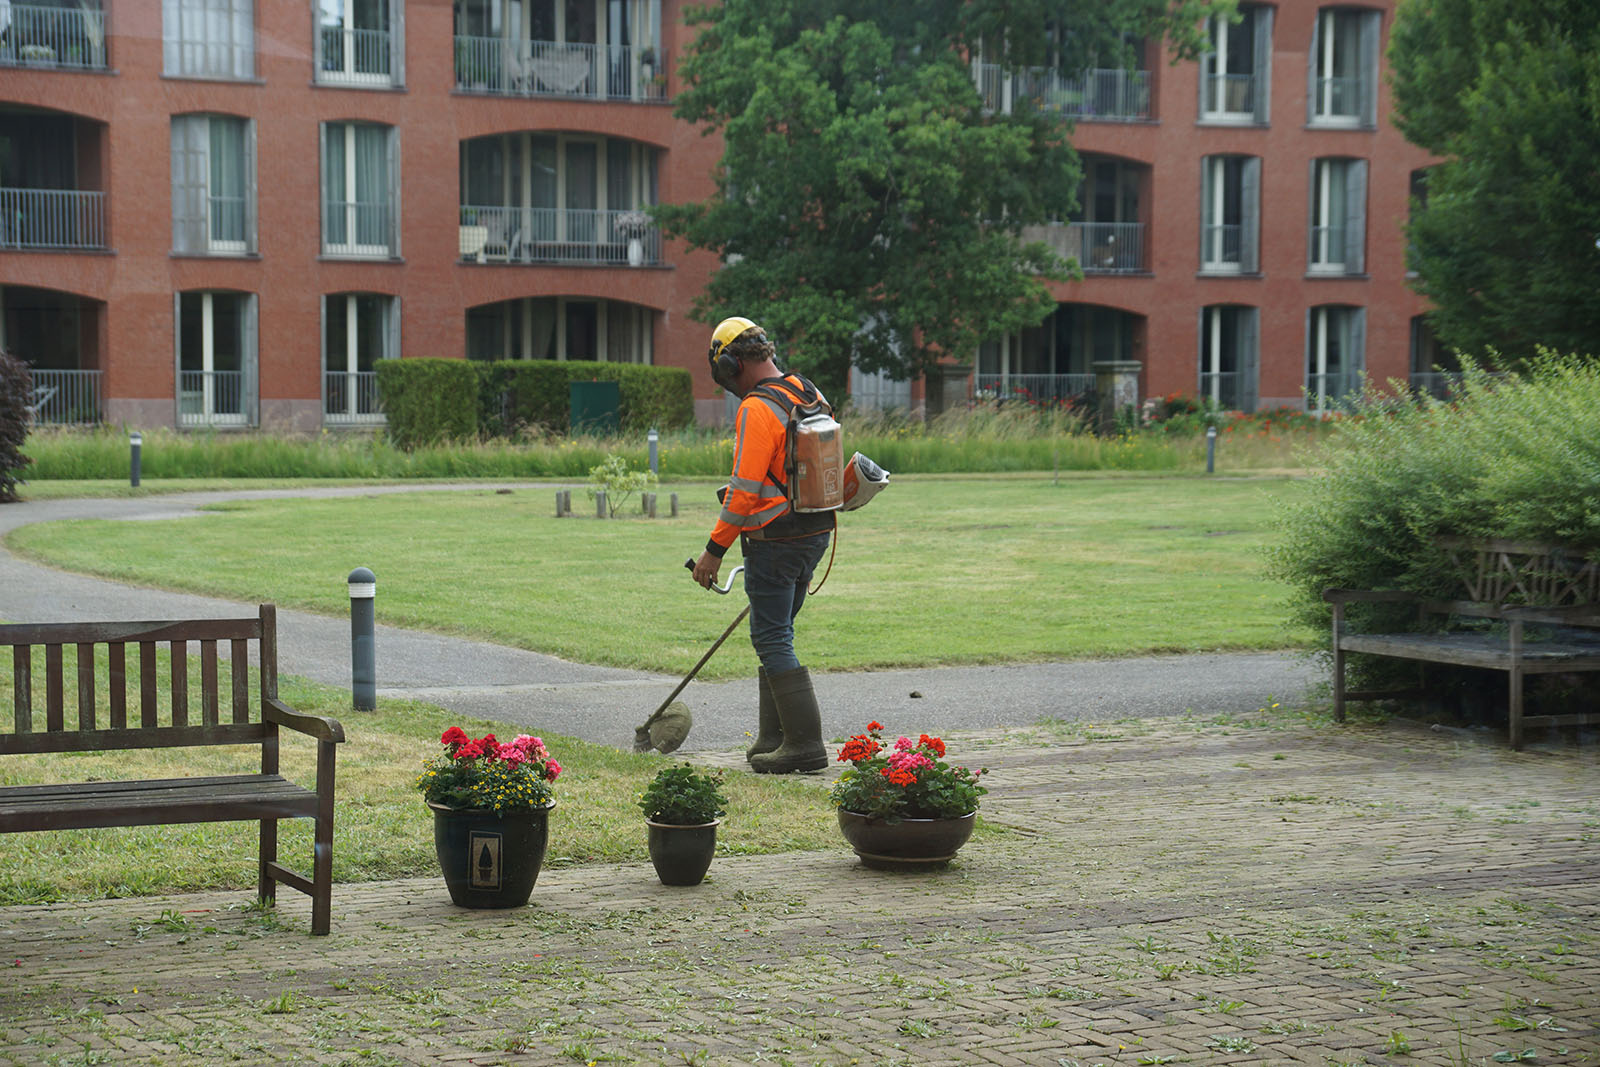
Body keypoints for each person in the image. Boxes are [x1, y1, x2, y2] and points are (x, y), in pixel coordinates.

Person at [691, 317, 833, 773]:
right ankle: (774, 738)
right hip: (814, 533)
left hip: (773, 539)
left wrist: (714, 551)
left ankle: (804, 746)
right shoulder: (807, 392)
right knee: (778, 633)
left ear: (732, 363)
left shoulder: (757, 408)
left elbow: (744, 490)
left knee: (771, 637)